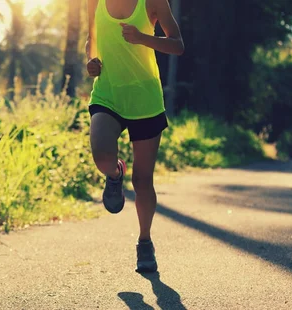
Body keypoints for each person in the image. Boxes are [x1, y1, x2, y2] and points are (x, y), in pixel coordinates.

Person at [86, 0, 184, 273]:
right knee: (102, 157)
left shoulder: (153, 2)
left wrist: (143, 38)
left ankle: (144, 242)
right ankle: (115, 174)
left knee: (143, 180)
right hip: (109, 93)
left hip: (145, 99)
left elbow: (177, 44)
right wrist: (91, 62)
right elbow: (91, 40)